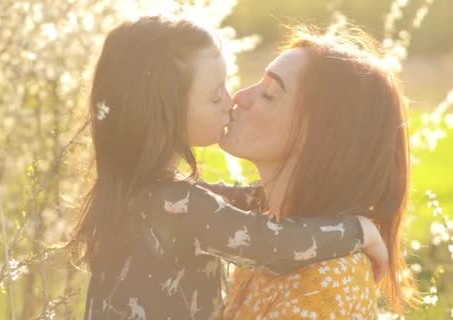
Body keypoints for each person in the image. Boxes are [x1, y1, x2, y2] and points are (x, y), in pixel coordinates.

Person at [67, 16, 387, 320]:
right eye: (213, 94)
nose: (230, 100)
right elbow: (270, 244)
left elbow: (238, 200)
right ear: (167, 115)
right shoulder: (177, 205)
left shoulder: (144, 195)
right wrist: (359, 230)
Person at [219, 25, 419, 319]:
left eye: (270, 94)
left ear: (322, 137)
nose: (240, 96)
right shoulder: (273, 232)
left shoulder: (326, 276)